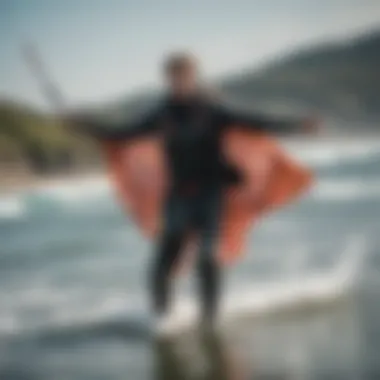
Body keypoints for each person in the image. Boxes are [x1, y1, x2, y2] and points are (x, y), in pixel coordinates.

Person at [68, 52, 316, 333]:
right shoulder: (162, 114)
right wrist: (83, 125)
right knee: (162, 265)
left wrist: (296, 125)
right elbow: (123, 133)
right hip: (178, 198)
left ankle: (210, 321)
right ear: (167, 79)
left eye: (184, 76)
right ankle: (162, 318)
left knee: (208, 258)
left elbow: (255, 121)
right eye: (174, 77)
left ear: (193, 77)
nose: (179, 82)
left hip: (211, 196)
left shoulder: (212, 111)